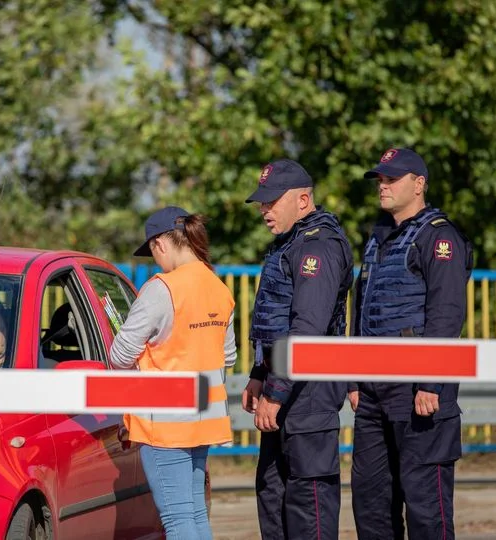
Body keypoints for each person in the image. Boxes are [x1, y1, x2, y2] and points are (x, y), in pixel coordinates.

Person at [350, 148, 473, 540]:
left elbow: (446, 313)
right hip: (372, 392)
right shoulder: (379, 236)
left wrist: (429, 381)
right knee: (372, 506)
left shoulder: (440, 238)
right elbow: (361, 308)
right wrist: (352, 378)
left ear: (418, 184)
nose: (382, 186)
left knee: (426, 511)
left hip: (418, 392)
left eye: (391, 179)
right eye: (380, 180)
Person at [241, 159, 354, 540]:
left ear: (303, 200)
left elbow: (306, 329)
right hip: (283, 387)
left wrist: (275, 390)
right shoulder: (289, 244)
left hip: (308, 393)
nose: (264, 211)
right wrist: (260, 375)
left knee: (308, 508)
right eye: (261, 203)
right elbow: (273, 320)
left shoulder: (318, 246)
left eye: (272, 202)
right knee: (273, 498)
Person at [110, 206, 237, 540]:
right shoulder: (218, 288)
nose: (155, 262)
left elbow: (120, 355)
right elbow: (228, 356)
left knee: (177, 520)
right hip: (203, 419)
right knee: (195, 512)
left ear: (160, 245)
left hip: (164, 424)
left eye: (152, 253)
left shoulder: (161, 289)